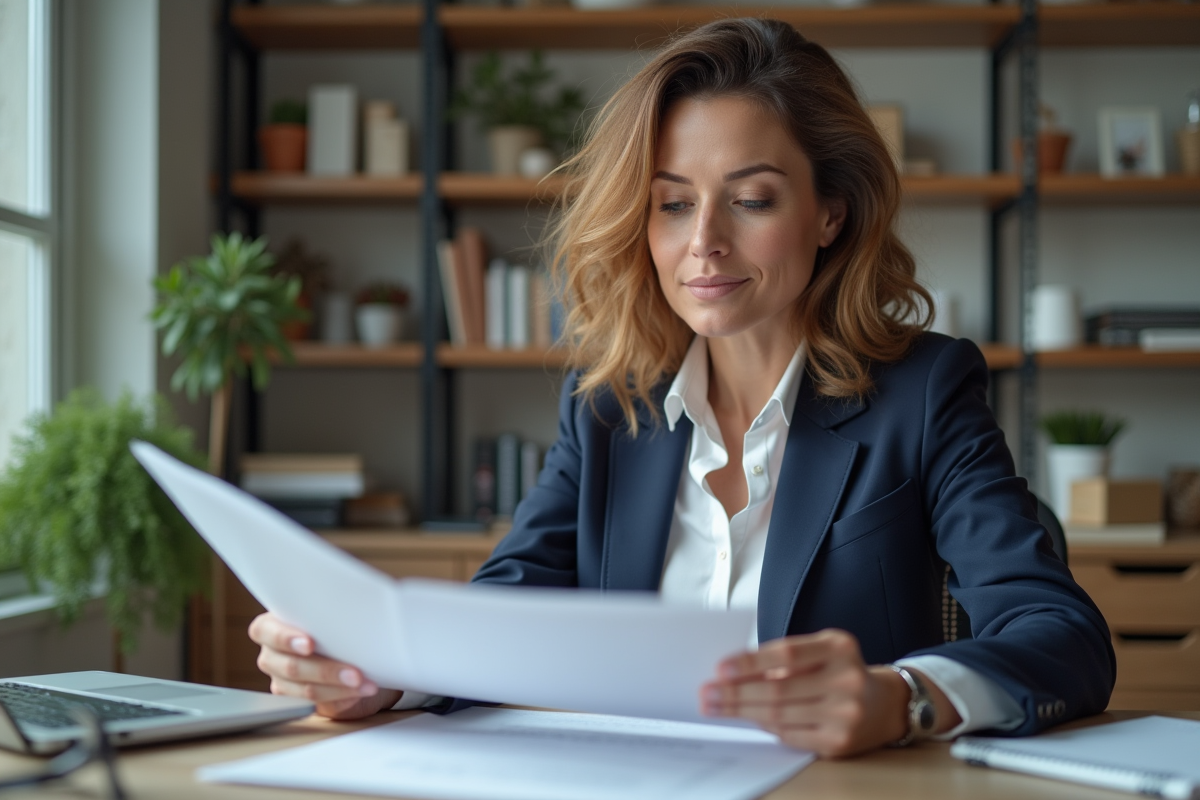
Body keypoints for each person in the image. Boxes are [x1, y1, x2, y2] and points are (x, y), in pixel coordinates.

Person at [249, 18, 1114, 757]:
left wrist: (904, 698)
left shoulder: (923, 391)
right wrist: (381, 677)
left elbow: (1063, 636)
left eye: (752, 199)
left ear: (830, 212)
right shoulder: (606, 405)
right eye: (672, 203)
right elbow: (506, 610)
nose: (704, 242)